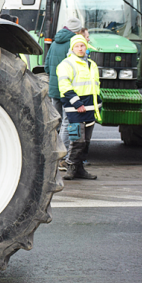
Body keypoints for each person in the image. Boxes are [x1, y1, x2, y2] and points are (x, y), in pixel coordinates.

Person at [57, 34, 101, 180]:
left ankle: (79, 169)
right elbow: (64, 86)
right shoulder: (66, 64)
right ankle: (70, 166)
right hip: (75, 108)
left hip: (89, 108)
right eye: (77, 46)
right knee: (77, 140)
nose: (80, 48)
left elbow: (95, 87)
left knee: (86, 142)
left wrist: (97, 106)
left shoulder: (91, 64)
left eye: (82, 45)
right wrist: (77, 103)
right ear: (72, 48)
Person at [45, 16, 83, 167]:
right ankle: (63, 157)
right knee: (69, 122)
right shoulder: (74, 44)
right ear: (77, 30)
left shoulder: (54, 43)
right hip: (68, 90)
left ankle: (53, 153)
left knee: (57, 122)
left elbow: (47, 66)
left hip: (54, 88)